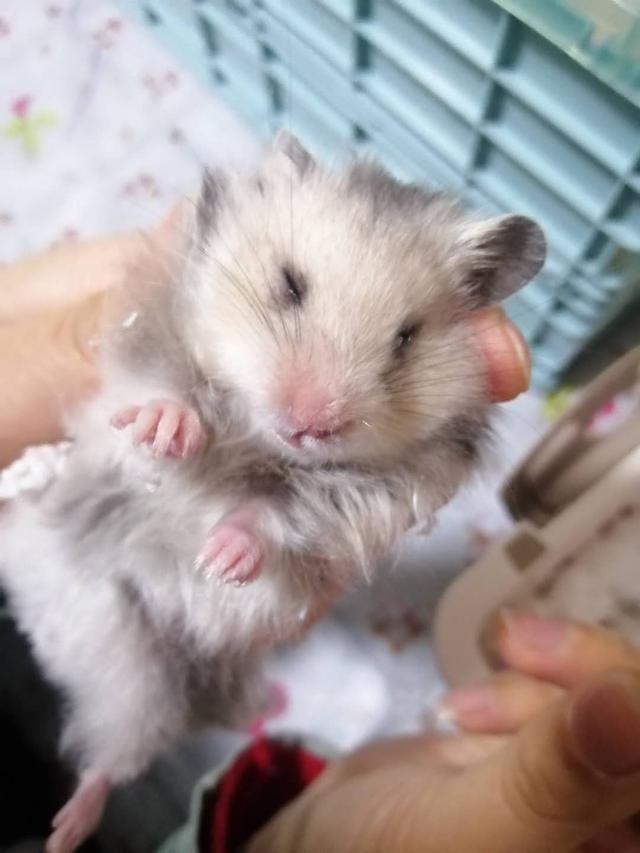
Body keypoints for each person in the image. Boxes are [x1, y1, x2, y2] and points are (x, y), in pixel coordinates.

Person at [5, 218, 640, 852]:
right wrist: (164, 403)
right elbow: (131, 381)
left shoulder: (415, 444)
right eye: (291, 291)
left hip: (168, 615)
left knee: (144, 694)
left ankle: (99, 775)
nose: (314, 413)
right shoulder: (208, 280)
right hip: (73, 526)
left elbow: (326, 519)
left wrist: (260, 528)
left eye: (402, 341)